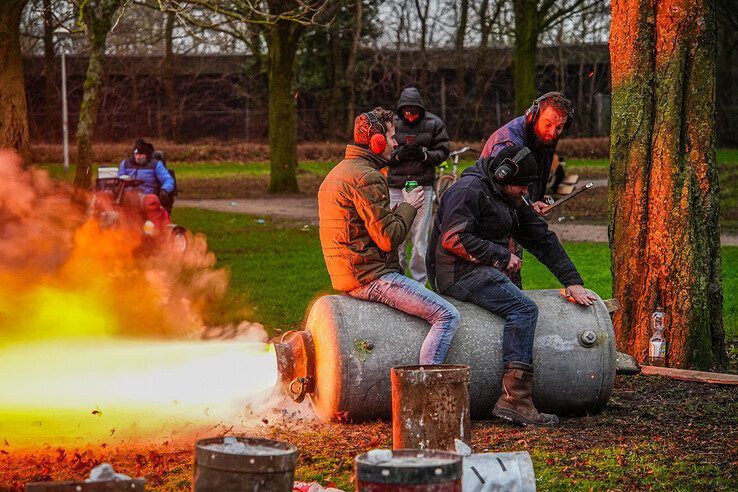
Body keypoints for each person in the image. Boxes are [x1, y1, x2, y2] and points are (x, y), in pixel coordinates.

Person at [427, 145, 597, 426]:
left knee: (517, 300)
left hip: (479, 267)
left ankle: (515, 392)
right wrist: (502, 256)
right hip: (455, 272)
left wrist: (572, 281)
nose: (525, 193)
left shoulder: (511, 198)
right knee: (523, 308)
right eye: (522, 187)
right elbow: (453, 240)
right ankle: (515, 398)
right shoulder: (468, 191)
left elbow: (541, 238)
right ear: (504, 176)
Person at [318, 107, 460, 365]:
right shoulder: (367, 177)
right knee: (446, 314)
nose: (395, 143)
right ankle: (426, 387)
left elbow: (365, 228)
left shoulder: (338, 172)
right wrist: (410, 206)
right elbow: (388, 238)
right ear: (377, 141)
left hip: (350, 274)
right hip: (371, 278)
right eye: (391, 137)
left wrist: (397, 211)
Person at [480, 92, 574, 287]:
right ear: (533, 115)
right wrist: (526, 204)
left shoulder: (543, 138)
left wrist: (533, 200)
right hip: (493, 218)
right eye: (548, 124)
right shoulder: (509, 144)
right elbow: (504, 191)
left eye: (559, 127)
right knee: (505, 283)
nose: (553, 132)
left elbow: (530, 179)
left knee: (513, 280)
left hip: (514, 210)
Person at [386, 87, 450, 284]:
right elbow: (381, 152)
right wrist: (398, 155)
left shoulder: (434, 123)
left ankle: (419, 282)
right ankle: (396, 279)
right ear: (401, 110)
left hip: (422, 185)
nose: (410, 115)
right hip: (397, 186)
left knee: (420, 237)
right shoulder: (391, 125)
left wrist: (424, 155)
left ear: (420, 110)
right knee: (396, 236)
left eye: (414, 112)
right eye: (406, 111)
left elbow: (443, 150)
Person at [117, 139, 174, 230]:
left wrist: (165, 190)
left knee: (151, 202)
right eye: (136, 154)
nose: (137, 157)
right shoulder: (125, 164)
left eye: (140, 155)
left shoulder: (155, 165)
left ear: (146, 155)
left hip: (147, 197)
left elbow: (168, 179)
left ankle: (157, 234)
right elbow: (119, 179)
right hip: (128, 198)